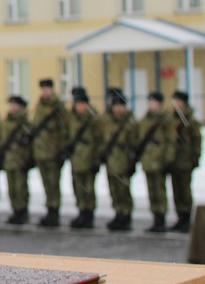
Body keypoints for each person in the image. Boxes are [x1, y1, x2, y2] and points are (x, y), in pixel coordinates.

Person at [30, 79, 69, 227]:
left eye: (47, 89)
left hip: (53, 152)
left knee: (53, 183)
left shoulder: (58, 107)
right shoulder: (39, 106)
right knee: (46, 183)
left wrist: (61, 149)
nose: (45, 92)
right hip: (41, 152)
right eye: (43, 89)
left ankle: (54, 211)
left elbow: (63, 129)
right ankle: (49, 209)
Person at [136, 92, 175, 233]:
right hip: (148, 160)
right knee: (151, 191)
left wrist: (168, 159)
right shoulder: (145, 120)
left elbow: (171, 141)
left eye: (153, 102)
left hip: (159, 161)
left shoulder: (165, 120)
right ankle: (155, 218)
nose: (151, 105)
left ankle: (161, 218)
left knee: (159, 191)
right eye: (149, 102)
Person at [100, 90, 139, 232]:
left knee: (123, 190)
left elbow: (135, 144)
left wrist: (132, 162)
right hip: (111, 162)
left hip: (124, 162)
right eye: (115, 105)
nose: (118, 108)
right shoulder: (108, 121)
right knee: (114, 190)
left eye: (120, 105)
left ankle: (126, 215)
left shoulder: (130, 122)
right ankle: (118, 213)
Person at [63, 90, 102, 229]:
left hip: (89, 158)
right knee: (78, 187)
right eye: (77, 104)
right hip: (76, 159)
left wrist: (97, 158)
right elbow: (67, 135)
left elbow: (99, 140)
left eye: (82, 104)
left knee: (88, 188)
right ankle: (81, 211)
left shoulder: (93, 119)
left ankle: (89, 214)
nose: (79, 107)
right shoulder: (71, 118)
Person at [167, 91, 202, 232]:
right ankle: (180, 218)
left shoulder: (190, 121)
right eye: (174, 101)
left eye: (178, 101)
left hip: (185, 160)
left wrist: (195, 157)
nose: (176, 104)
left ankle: (187, 217)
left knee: (185, 191)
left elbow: (197, 141)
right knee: (176, 191)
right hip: (173, 160)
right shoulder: (170, 120)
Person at [0, 95, 33, 225]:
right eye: (11, 105)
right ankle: (15, 211)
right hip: (9, 159)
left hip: (20, 159)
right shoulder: (6, 122)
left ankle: (22, 212)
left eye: (15, 105)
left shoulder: (25, 123)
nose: (12, 108)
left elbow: (29, 144)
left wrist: (28, 159)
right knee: (12, 188)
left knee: (21, 188)